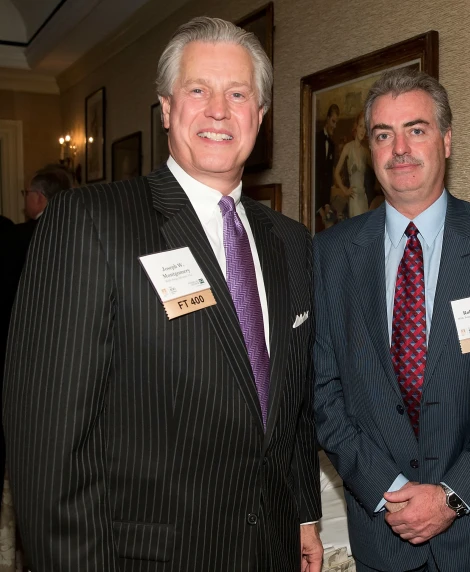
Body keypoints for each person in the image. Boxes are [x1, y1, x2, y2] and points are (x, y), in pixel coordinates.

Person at [3, 17, 322, 572]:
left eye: (238, 93)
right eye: (198, 90)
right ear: (167, 108)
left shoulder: (291, 242)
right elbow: (46, 449)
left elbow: (289, 410)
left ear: (261, 117)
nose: (219, 109)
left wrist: (301, 514)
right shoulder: (92, 222)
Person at [313, 68, 470, 572]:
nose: (399, 148)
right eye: (383, 135)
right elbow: (323, 392)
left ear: (445, 141)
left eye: (416, 130)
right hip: (382, 532)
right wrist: (392, 490)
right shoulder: (331, 253)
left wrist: (452, 495)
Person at [0, 166, 71, 485]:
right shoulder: (77, 233)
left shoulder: (15, 237)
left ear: (39, 198)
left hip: (17, 347)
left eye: (26, 194)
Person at [333, 110, 371, 218]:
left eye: (365, 127)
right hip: (353, 198)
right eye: (360, 126)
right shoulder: (348, 148)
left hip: (363, 198)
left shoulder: (365, 152)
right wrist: (345, 190)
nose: (362, 130)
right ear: (356, 127)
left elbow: (378, 171)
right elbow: (336, 173)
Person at [316, 103, 340, 223]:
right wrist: (319, 206)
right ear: (327, 118)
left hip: (324, 199)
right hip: (315, 197)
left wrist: (326, 203)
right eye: (333, 121)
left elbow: (328, 176)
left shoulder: (332, 144)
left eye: (336, 123)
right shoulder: (316, 138)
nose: (334, 126)